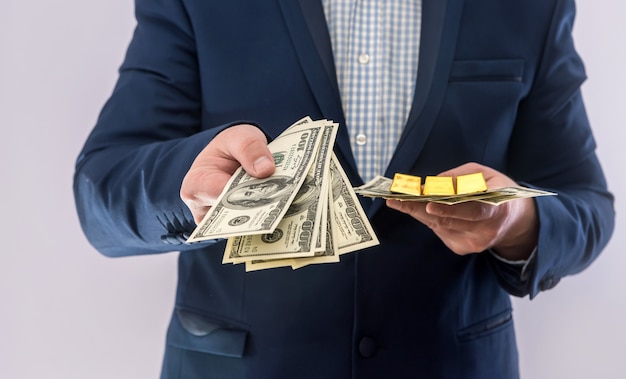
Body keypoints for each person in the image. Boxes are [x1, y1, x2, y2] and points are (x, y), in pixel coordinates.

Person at [73, 0, 615, 378]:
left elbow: (587, 204)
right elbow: (102, 191)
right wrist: (184, 184)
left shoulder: (531, 5)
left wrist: (519, 222)